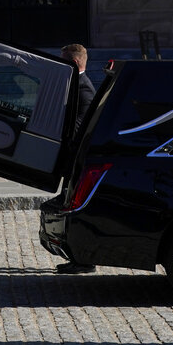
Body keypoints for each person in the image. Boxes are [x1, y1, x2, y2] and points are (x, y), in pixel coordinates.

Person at [53, 43, 97, 275]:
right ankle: (77, 258)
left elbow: (78, 129)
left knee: (76, 212)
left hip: (79, 163)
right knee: (69, 209)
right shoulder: (74, 85)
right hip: (72, 161)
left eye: (63, 61)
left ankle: (84, 261)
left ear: (75, 63)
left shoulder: (84, 89)